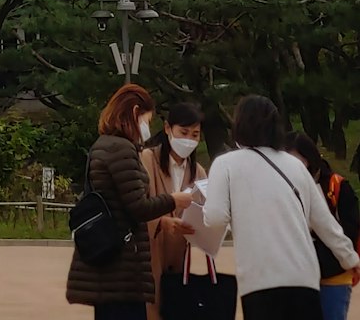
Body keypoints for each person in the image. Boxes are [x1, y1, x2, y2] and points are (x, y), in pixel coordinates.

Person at [202, 95, 360, 320]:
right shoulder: (294, 165)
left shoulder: (226, 164)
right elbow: (325, 224)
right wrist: (350, 259)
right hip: (304, 279)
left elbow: (216, 218)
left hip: (261, 281)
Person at [67, 83, 197, 320]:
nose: (148, 127)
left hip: (110, 269)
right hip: (122, 271)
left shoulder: (105, 144)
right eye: (148, 119)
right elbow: (138, 207)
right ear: (135, 112)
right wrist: (174, 200)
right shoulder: (121, 149)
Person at [141, 101, 206, 320]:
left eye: (195, 135)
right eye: (184, 132)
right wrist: (162, 222)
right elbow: (138, 206)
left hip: (179, 262)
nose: (188, 140)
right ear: (168, 128)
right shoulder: (148, 159)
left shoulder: (198, 172)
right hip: (150, 257)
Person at [289, 133, 360, 320]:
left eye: (297, 160)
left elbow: (350, 231)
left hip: (334, 275)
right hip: (299, 277)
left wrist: (318, 225)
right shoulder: (283, 189)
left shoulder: (337, 186)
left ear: (310, 158)